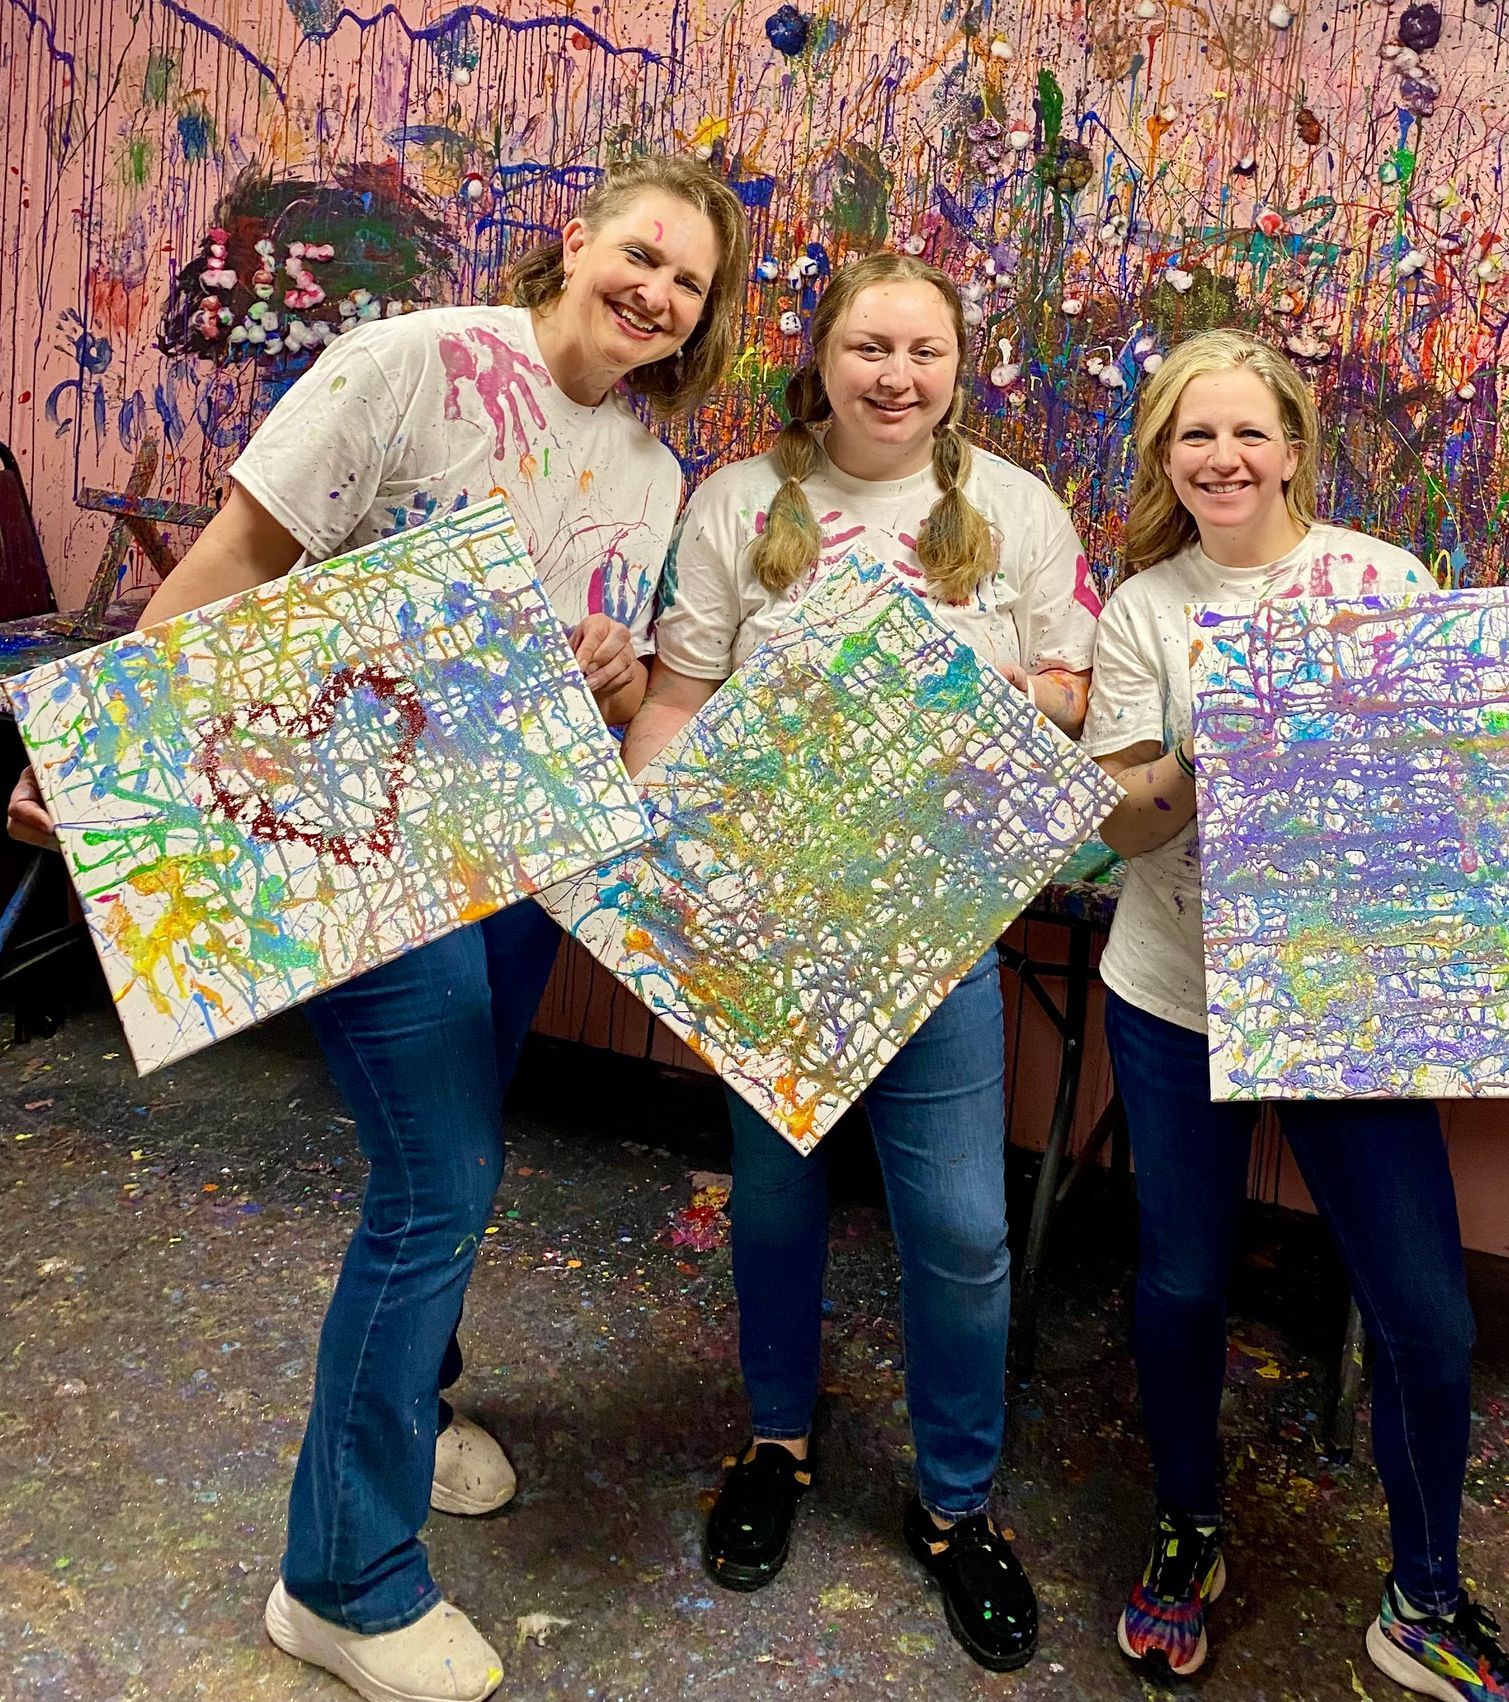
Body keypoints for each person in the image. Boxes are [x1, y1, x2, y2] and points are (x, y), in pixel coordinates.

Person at [9, 152, 751, 1702]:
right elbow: (244, 553)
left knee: (455, 1149)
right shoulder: (415, 361)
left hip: (507, 855)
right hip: (363, 843)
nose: (657, 291)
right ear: (579, 239)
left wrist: (610, 677)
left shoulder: (647, 464)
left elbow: (577, 672)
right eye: (644, 252)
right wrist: (97, 767)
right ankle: (340, 1575)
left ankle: (420, 1406)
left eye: (687, 281)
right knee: (441, 1178)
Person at [625, 250, 1097, 1673]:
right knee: (773, 1204)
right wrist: (666, 882)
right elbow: (677, 699)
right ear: (819, 358)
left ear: (960, 370)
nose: (898, 376)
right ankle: (777, 1439)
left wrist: (976, 681)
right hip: (769, 926)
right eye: (871, 348)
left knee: (957, 1228)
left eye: (927, 353)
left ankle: (957, 1504)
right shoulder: (737, 505)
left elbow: (1077, 695)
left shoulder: (1011, 508)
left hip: (936, 929)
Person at [1085, 328, 1509, 1698]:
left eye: (1246, 433)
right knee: (1180, 1283)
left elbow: (1445, 789)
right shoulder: (1143, 612)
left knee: (1425, 1308)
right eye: (1193, 436)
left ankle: (1423, 1595)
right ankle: (1188, 1528)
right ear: (1168, 458)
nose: (1221, 459)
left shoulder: (1379, 579)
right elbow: (1122, 822)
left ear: (1292, 445)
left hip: (1350, 993)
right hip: (1176, 994)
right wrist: (1206, 745)